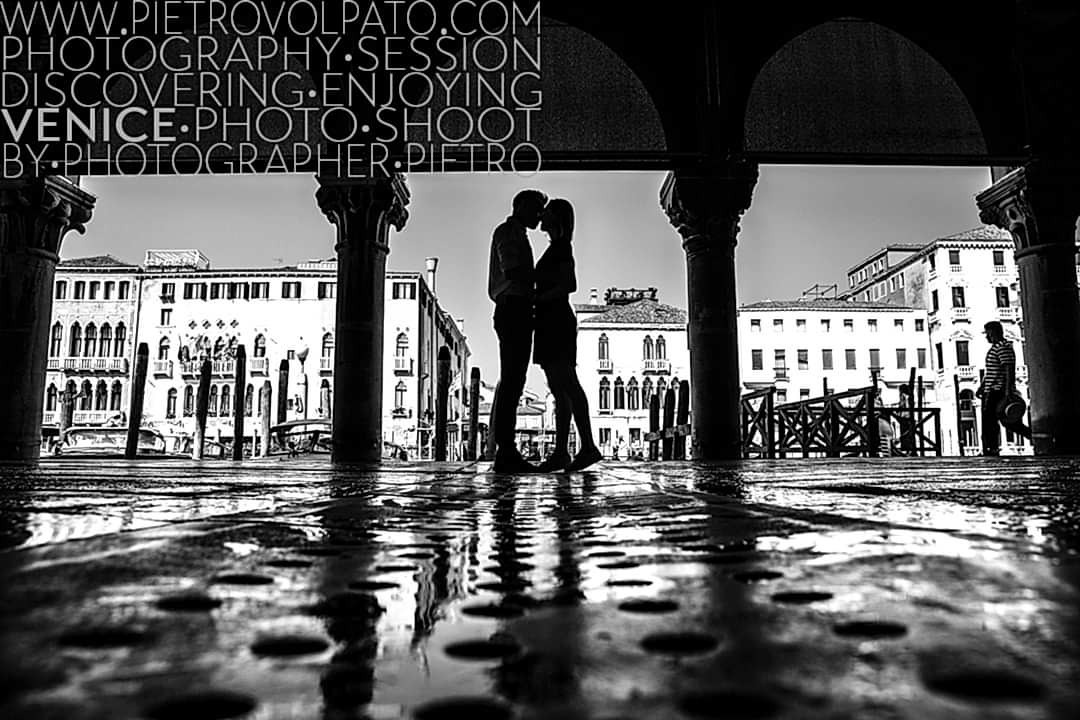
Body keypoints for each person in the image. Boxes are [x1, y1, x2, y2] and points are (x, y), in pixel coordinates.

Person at [531, 198, 602, 472]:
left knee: (567, 383)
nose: (542, 214)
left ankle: (587, 446)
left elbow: (569, 284)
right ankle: (562, 451)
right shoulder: (555, 247)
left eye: (546, 211)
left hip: (556, 319)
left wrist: (537, 298)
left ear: (557, 218)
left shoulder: (561, 248)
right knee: (559, 387)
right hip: (550, 320)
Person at [488, 189, 547, 473]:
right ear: (521, 206)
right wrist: (545, 275)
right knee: (512, 380)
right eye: (536, 209)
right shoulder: (509, 233)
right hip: (513, 308)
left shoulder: (517, 233)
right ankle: (506, 451)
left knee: (513, 379)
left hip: (515, 308)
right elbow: (513, 271)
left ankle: (505, 449)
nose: (539, 215)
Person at [976, 320, 1032, 456]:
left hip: (998, 390)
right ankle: (1032, 437)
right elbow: (991, 371)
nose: (986, 337)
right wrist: (982, 387)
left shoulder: (1003, 347)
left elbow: (1008, 369)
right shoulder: (996, 347)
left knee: (991, 420)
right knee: (1006, 421)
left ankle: (991, 448)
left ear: (994, 333)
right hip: (991, 389)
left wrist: (1008, 391)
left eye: (988, 334)